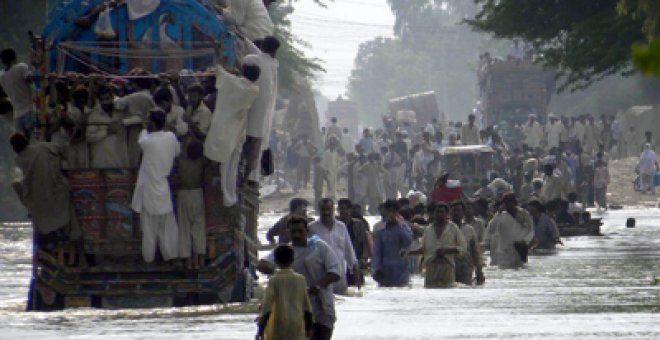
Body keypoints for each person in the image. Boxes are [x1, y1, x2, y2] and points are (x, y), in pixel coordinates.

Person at [257, 216, 341, 340]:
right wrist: (282, 273)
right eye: (293, 231)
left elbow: (335, 272)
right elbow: (261, 264)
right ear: (287, 232)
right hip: (296, 314)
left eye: (300, 231)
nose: (296, 235)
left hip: (322, 306)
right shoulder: (286, 252)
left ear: (307, 231)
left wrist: (318, 286)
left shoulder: (319, 247)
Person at [10, 133, 82, 251]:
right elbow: (62, 149)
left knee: (16, 184)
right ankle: (78, 249)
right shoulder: (42, 147)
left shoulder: (19, 160)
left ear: (15, 149)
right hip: (59, 192)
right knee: (70, 219)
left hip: (39, 200)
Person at [204, 62, 260, 206]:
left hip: (224, 129)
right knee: (231, 167)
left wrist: (224, 68)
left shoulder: (231, 81)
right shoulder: (253, 89)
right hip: (238, 131)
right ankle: (229, 196)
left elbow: (218, 70)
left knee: (224, 165)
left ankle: (227, 195)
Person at [131, 109, 181, 263]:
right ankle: (170, 255)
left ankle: (149, 258)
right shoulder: (171, 137)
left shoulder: (147, 141)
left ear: (152, 122)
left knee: (149, 228)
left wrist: (144, 127)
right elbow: (177, 152)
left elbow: (141, 140)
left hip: (149, 189)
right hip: (163, 187)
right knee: (167, 226)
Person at [242, 37, 280, 182]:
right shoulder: (273, 64)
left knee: (242, 145)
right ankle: (249, 178)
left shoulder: (252, 59)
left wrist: (244, 39)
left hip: (247, 109)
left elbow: (253, 57)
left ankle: (244, 177)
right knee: (255, 147)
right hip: (262, 115)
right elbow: (260, 55)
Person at [256, 244, 313, 340]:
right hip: (297, 325)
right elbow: (307, 307)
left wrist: (260, 331)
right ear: (293, 260)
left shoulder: (274, 280)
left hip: (278, 325)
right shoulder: (301, 279)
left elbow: (267, 307)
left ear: (275, 261)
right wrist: (309, 328)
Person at [309, 198, 359, 294]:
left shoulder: (341, 227)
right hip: (321, 278)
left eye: (329, 209)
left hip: (340, 277)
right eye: (323, 209)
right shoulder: (311, 228)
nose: (326, 212)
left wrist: (355, 269)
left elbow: (348, 250)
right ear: (319, 210)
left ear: (333, 210)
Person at [411, 202, 466, 288]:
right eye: (437, 212)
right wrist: (409, 253)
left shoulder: (453, 228)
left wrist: (447, 250)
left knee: (448, 292)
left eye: (442, 212)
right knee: (430, 294)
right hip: (431, 268)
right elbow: (423, 249)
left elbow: (463, 247)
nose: (439, 214)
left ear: (447, 214)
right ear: (434, 213)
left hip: (447, 267)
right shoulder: (428, 229)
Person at [173, 140, 207, 269]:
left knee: (184, 227)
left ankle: (188, 261)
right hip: (197, 193)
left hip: (183, 194)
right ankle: (200, 260)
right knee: (199, 226)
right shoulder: (200, 163)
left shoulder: (181, 162)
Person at [484, 193, 535, 269]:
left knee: (522, 269)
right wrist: (498, 213)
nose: (509, 204)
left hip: (520, 250)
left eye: (510, 202)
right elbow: (491, 229)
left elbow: (531, 230)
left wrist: (525, 241)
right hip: (504, 253)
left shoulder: (524, 214)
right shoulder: (500, 215)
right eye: (507, 202)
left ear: (514, 202)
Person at [86, 84, 130, 168]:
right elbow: (89, 137)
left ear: (112, 97)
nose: (104, 102)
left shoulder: (120, 112)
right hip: (101, 160)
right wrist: (107, 132)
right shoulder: (94, 115)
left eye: (107, 99)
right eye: (101, 99)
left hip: (120, 159)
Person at [371, 200, 413, 287]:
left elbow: (408, 241)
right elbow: (377, 252)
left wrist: (398, 225)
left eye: (394, 211)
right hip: (385, 270)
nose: (391, 213)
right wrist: (376, 269)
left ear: (397, 212)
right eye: (389, 211)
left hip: (402, 269)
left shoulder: (404, 227)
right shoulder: (380, 231)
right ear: (385, 212)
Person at [0, 48, 34, 137]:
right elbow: (31, 81)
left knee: (25, 143)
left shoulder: (1, 76)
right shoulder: (21, 67)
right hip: (29, 109)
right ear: (14, 58)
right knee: (37, 139)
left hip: (17, 115)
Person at [450, 201, 484, 285]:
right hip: (448, 269)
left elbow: (476, 252)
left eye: (458, 211)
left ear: (463, 213)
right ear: (450, 213)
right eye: (454, 211)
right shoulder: (445, 229)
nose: (456, 213)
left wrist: (479, 271)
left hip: (465, 271)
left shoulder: (469, 230)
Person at [337, 199, 370, 273]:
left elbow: (364, 243)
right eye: (341, 209)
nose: (343, 211)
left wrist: (364, 259)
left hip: (356, 259)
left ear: (350, 210)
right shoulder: (335, 225)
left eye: (345, 209)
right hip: (339, 261)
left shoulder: (358, 224)